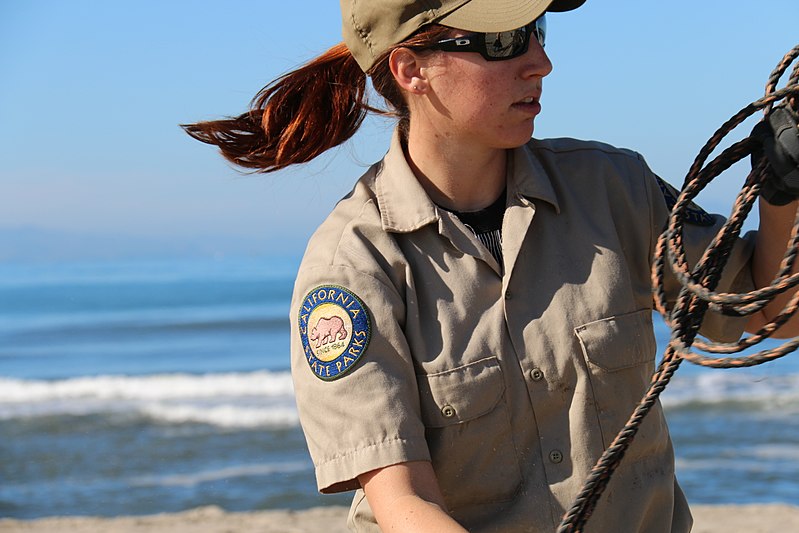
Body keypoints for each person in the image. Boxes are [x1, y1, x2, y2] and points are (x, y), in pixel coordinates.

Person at [184, 1, 799, 531]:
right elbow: (404, 502)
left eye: (537, 32)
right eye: (503, 42)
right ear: (410, 68)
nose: (539, 62)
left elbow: (770, 315)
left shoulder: (614, 187)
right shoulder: (353, 267)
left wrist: (782, 191)